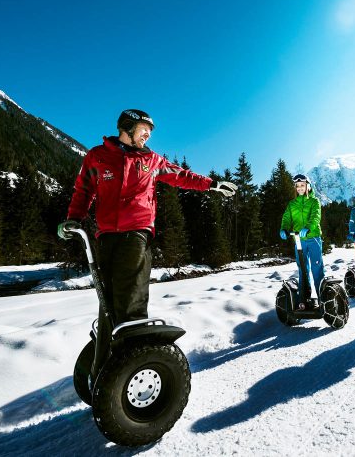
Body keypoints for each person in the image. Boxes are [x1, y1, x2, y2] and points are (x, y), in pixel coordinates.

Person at [57, 108, 237, 380]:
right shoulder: (98, 156)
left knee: (131, 298)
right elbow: (83, 190)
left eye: (150, 131)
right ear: (127, 127)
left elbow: (181, 175)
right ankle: (105, 365)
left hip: (137, 232)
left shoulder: (152, 160)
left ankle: (131, 364)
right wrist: (74, 218)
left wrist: (211, 184)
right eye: (144, 129)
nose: (148, 134)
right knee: (108, 302)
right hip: (106, 236)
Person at [280, 173, 325, 310]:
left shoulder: (314, 201)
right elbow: (287, 218)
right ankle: (304, 299)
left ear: (308, 186)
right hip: (299, 240)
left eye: (302, 185)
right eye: (297, 186)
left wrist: (308, 228)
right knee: (302, 269)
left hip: (313, 238)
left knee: (317, 268)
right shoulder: (292, 204)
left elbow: (315, 216)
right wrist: (284, 228)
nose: (300, 188)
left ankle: (322, 298)